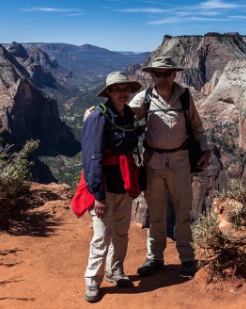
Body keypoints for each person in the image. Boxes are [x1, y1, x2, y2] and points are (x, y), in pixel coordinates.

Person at [129, 56, 212, 278]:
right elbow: (123, 115)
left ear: (174, 74)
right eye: (158, 73)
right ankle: (154, 258)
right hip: (153, 163)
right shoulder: (145, 97)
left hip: (180, 163)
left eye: (167, 73)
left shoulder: (184, 96)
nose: (163, 78)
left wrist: (205, 149)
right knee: (156, 214)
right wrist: (99, 114)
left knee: (183, 212)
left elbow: (197, 126)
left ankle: (187, 257)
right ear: (152, 75)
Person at [81, 71, 142, 302]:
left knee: (121, 232)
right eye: (117, 89)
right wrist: (97, 195)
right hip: (104, 187)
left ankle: (115, 270)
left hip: (124, 184)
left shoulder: (127, 114)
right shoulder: (98, 117)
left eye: (126, 89)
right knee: (101, 235)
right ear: (108, 92)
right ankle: (92, 281)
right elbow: (92, 157)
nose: (123, 92)